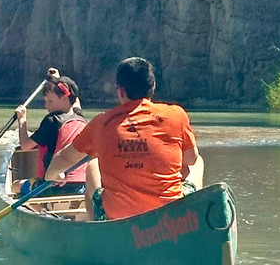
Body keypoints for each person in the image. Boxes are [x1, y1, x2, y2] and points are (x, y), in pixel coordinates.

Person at [45, 56, 204, 221]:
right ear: (153, 86)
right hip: (169, 215)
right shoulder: (177, 115)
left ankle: (97, 228)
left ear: (120, 91)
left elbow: (64, 158)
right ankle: (192, 217)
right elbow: (190, 159)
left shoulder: (101, 123)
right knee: (198, 161)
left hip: (117, 218)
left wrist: (52, 174)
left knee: (93, 164)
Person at [15, 68, 89, 205]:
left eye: (50, 101)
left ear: (65, 97)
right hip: (81, 186)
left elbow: (25, 145)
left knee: (16, 185)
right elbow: (75, 101)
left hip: (52, 187)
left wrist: (22, 119)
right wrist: (58, 80)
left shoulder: (52, 121)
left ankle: (39, 209)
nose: (46, 106)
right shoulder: (80, 117)